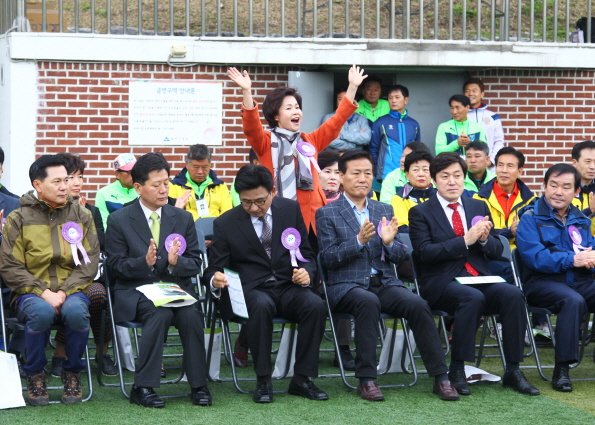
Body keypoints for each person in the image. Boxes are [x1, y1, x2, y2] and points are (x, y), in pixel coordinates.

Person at [316, 150, 458, 402]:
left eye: (368, 173)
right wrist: (358, 241)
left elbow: (401, 255)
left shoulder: (382, 207)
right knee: (367, 302)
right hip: (346, 285)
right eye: (356, 173)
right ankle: (367, 380)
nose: (363, 178)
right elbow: (327, 258)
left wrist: (390, 244)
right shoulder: (328, 213)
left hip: (383, 282)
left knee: (417, 303)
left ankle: (441, 377)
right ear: (341, 176)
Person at [408, 152, 539, 397]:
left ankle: (513, 369)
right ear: (435, 180)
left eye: (457, 175)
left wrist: (485, 238)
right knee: (471, 298)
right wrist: (464, 241)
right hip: (441, 281)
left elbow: (496, 250)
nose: (452, 181)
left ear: (464, 178)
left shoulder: (477, 205)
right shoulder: (421, 212)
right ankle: (457, 369)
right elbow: (425, 253)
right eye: (445, 176)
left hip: (478, 276)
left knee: (512, 294)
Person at [204, 164, 327, 403]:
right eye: (246, 202)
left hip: (288, 285)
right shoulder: (226, 223)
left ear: (272, 191)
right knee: (260, 306)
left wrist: (307, 272)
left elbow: (306, 253)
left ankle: (302, 379)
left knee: (315, 305)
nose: (253, 208)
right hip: (252, 289)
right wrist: (214, 278)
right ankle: (263, 380)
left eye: (260, 201)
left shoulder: (290, 210)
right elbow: (214, 267)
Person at [106, 152, 210, 408]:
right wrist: (145, 263)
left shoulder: (182, 217)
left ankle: (199, 385)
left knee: (191, 313)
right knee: (158, 313)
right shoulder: (119, 220)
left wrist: (175, 263)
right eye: (157, 185)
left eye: (166, 183)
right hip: (136, 290)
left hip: (175, 289)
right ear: (139, 187)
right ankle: (143, 387)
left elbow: (195, 263)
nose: (164, 190)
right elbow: (115, 265)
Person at [0, 155, 100, 406]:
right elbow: (10, 265)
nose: (64, 186)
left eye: (66, 180)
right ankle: (35, 374)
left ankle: (72, 372)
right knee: (42, 312)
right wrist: (43, 292)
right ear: (38, 185)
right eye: (57, 181)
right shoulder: (18, 218)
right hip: (29, 293)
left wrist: (64, 291)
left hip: (72, 290)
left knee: (77, 312)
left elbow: (89, 262)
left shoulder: (82, 215)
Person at [227, 64, 366, 239]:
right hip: (279, 215)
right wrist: (246, 92)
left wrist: (352, 87)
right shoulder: (266, 142)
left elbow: (336, 122)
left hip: (314, 219)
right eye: (289, 108)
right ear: (275, 116)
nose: (296, 112)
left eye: (297, 107)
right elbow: (251, 127)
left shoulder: (309, 140)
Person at [516, 163, 595, 392]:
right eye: (553, 185)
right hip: (541, 283)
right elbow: (535, 258)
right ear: (544, 186)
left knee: (576, 296)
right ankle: (562, 369)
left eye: (566, 187)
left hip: (579, 280)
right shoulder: (530, 218)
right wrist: (573, 259)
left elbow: (588, 251)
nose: (558, 192)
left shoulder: (581, 220)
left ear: (576, 192)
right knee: (572, 301)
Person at [42, 153, 117, 377]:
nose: (77, 183)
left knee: (99, 295)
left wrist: (81, 220)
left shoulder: (90, 212)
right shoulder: (46, 211)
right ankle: (60, 352)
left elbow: (101, 244)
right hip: (55, 279)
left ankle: (101, 352)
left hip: (87, 276)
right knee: (71, 298)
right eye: (70, 177)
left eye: (80, 177)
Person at [369, 85, 421, 192]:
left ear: (406, 100)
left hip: (409, 172)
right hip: (387, 173)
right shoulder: (380, 122)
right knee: (388, 204)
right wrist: (375, 172)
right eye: (390, 97)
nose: (393, 101)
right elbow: (373, 149)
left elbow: (418, 150)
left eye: (397, 97)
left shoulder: (414, 124)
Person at [169, 144, 233, 221]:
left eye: (204, 167)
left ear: (210, 165)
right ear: (187, 164)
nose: (200, 171)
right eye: (196, 167)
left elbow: (227, 214)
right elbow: (170, 216)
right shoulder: (173, 186)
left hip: (214, 229)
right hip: (186, 229)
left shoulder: (220, 186)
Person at [390, 150, 435, 233]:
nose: (421, 174)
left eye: (425, 170)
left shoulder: (440, 196)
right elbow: (402, 229)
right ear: (407, 174)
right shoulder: (399, 198)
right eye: (416, 170)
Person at [463, 78, 505, 167]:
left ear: (482, 94)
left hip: (489, 168)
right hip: (467, 168)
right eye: (467, 91)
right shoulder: (459, 117)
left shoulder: (493, 117)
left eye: (474, 91)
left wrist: (491, 161)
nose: (470, 94)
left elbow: (499, 141)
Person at [95, 153, 138, 229]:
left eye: (136, 171)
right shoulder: (103, 193)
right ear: (117, 174)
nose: (134, 175)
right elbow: (103, 224)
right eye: (129, 172)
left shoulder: (143, 191)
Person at [571, 140, 595, 215]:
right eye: (588, 161)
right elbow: (562, 223)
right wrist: (590, 211)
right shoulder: (565, 189)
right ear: (575, 163)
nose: (592, 167)